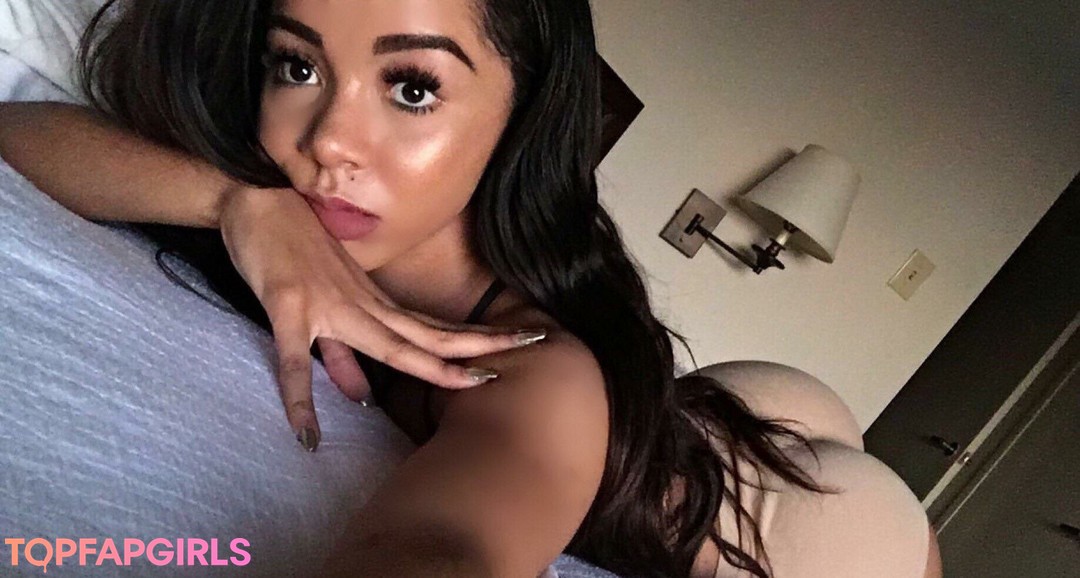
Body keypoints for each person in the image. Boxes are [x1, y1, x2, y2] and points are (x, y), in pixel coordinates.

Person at [0, 0, 942, 576]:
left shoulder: (537, 372)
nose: (329, 139)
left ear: (518, 119)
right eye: (299, 65)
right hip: (711, 411)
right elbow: (17, 133)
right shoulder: (271, 202)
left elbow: (445, 549)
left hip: (818, 538)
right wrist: (235, 201)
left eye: (412, 87)